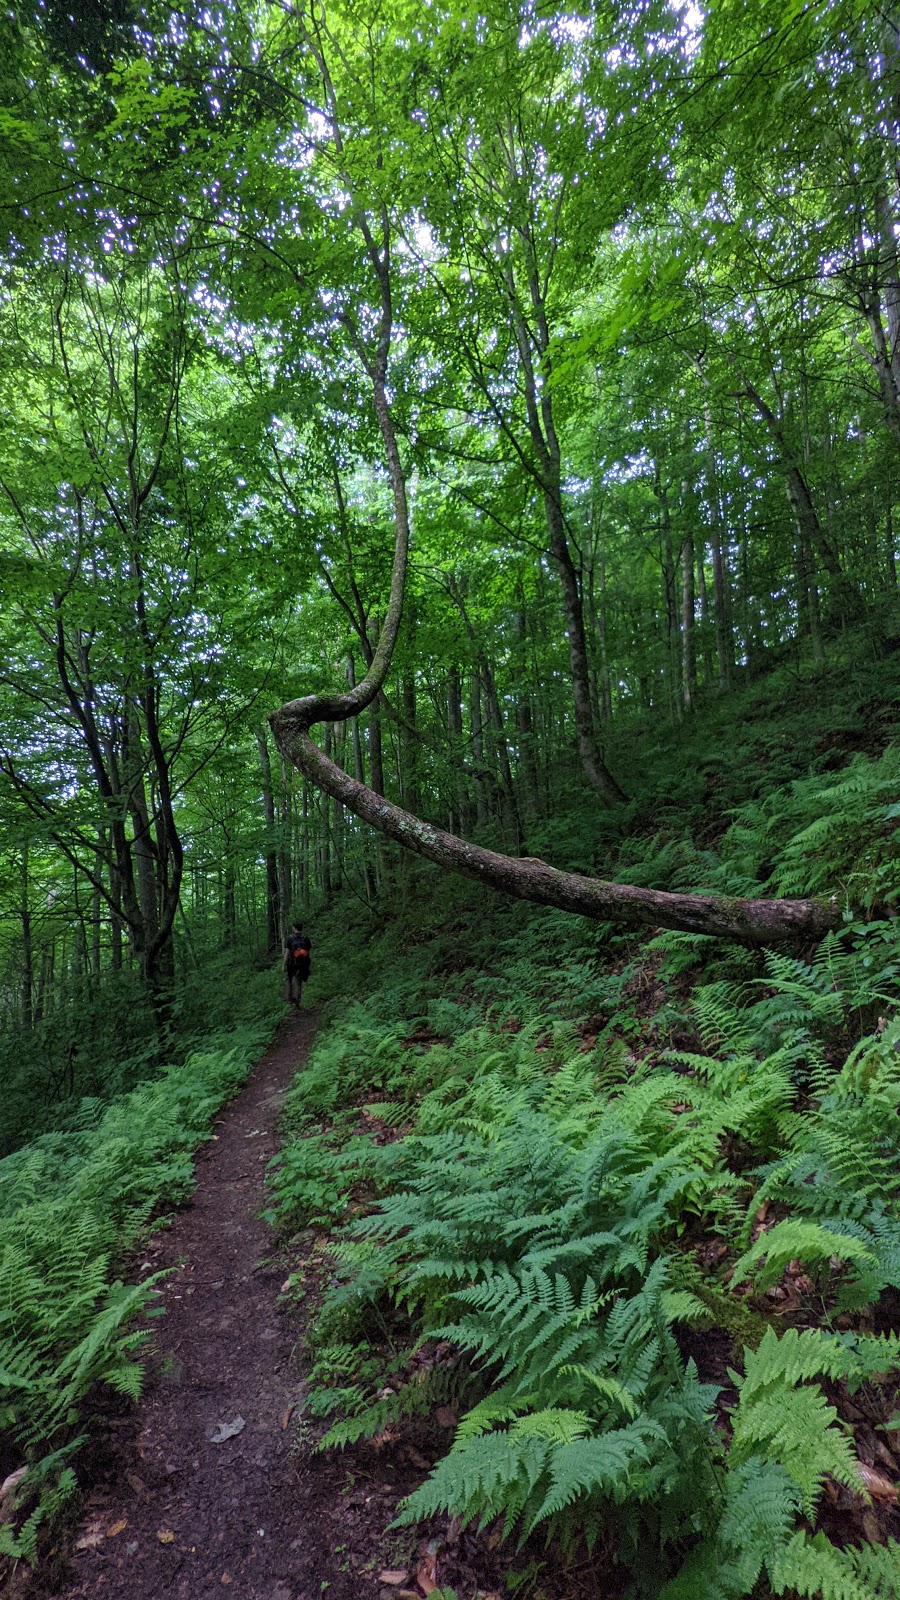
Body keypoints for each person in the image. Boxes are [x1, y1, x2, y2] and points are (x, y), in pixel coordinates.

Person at [282, 922, 311, 1008]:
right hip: (302, 963)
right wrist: (308, 964)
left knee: (289, 980)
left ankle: (289, 1000)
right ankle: (297, 1001)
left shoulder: (290, 938)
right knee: (298, 981)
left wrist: (284, 964)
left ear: (294, 928)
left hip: (291, 963)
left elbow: (287, 952)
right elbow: (308, 952)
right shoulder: (306, 938)